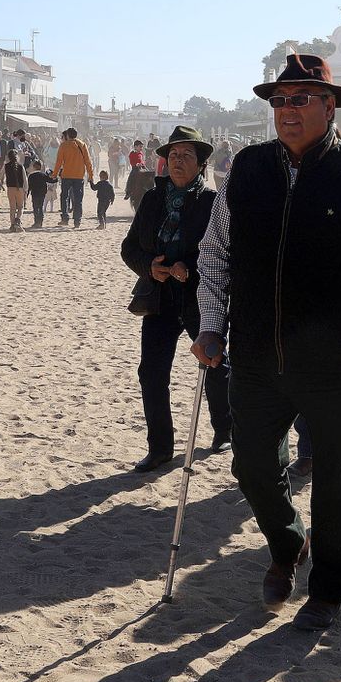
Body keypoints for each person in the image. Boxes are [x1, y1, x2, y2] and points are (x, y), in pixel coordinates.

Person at [192, 54, 341, 633]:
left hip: (339, 361)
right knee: (251, 467)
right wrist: (212, 323)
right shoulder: (245, 169)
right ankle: (289, 542)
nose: (286, 111)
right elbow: (215, 252)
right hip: (258, 355)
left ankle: (328, 590)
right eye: (279, 100)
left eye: (299, 99)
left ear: (329, 104)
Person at [124, 127, 232, 473]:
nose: (177, 162)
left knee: (215, 365)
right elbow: (129, 248)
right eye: (172, 156)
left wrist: (192, 268)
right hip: (159, 299)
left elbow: (226, 255)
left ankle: (224, 430)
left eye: (186, 156)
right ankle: (160, 448)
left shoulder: (213, 203)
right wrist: (149, 267)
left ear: (201, 165)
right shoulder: (153, 200)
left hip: (202, 299)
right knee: (152, 373)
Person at [51, 127, 96, 227]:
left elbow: (59, 162)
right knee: (78, 199)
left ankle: (65, 218)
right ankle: (77, 221)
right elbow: (88, 162)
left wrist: (54, 174)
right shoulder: (82, 144)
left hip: (66, 175)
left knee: (64, 197)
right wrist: (91, 175)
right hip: (79, 176)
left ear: (67, 135)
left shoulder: (63, 145)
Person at [2, 149, 27, 232]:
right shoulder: (20, 166)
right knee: (20, 207)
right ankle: (18, 220)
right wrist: (26, 189)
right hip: (19, 188)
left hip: (10, 189)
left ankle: (12, 225)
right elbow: (25, 179)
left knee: (12, 208)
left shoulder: (6, 166)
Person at [27, 160, 53, 228]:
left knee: (35, 208)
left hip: (34, 193)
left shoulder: (31, 175)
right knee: (40, 207)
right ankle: (40, 222)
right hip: (42, 193)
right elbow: (51, 180)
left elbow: (29, 187)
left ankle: (36, 222)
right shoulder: (43, 174)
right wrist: (52, 173)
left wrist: (26, 194)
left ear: (34, 167)